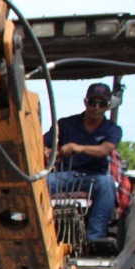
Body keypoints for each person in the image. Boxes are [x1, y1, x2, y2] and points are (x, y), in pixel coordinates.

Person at [46, 82, 124, 241]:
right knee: (41, 183)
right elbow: (41, 142)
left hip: (93, 178)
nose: (96, 107)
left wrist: (78, 148)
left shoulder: (112, 129)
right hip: (64, 176)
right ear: (86, 102)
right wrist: (48, 151)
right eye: (93, 102)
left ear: (108, 106)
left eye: (102, 103)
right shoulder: (65, 124)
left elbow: (105, 150)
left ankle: (95, 238)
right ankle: (44, 231)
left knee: (107, 184)